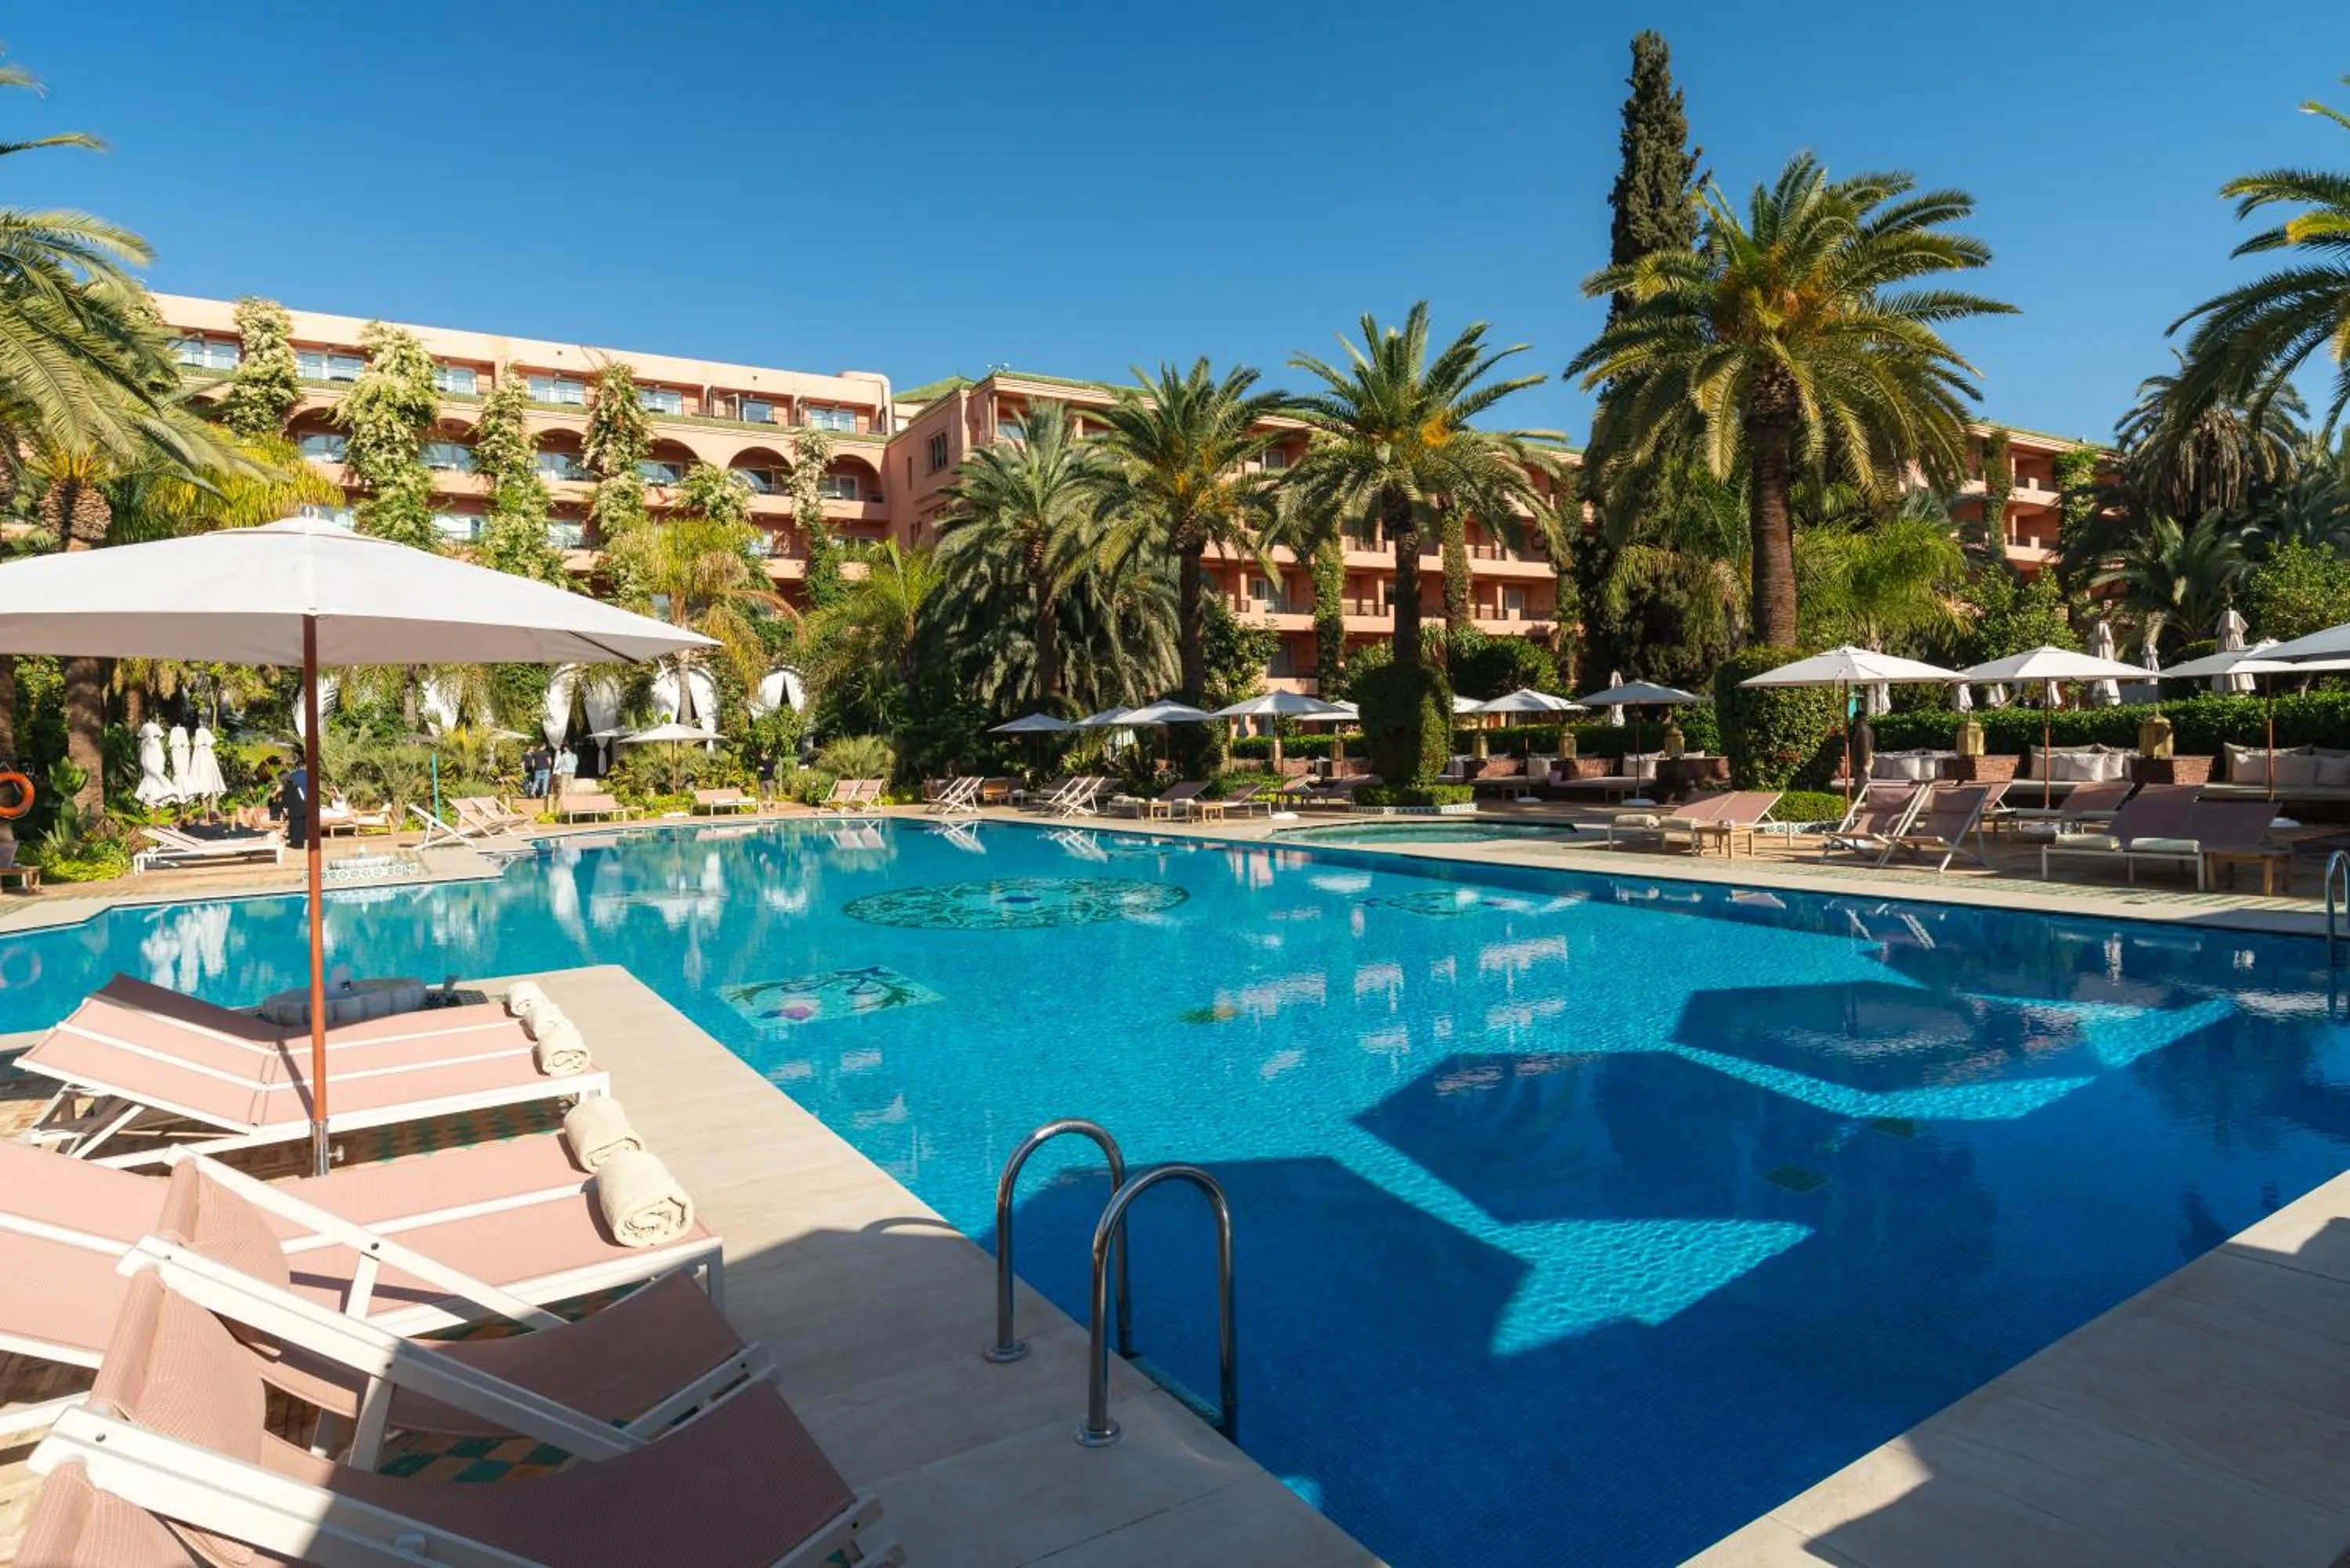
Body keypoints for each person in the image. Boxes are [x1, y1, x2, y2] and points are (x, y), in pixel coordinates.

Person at [281, 761, 310, 851]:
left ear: (297, 767)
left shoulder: (292, 777)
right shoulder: (309, 775)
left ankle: (295, 842)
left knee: (294, 824)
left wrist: (285, 806)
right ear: (304, 766)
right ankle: (302, 840)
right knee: (302, 824)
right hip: (306, 803)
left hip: (294, 804)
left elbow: (287, 793)